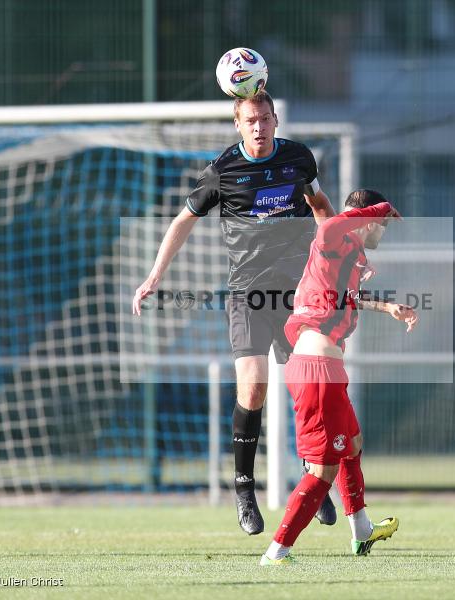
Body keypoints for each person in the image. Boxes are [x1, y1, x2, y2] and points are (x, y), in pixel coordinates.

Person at [132, 90, 339, 535]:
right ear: (238, 124)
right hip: (248, 295)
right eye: (251, 120)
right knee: (254, 385)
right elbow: (183, 221)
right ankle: (244, 488)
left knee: (310, 386)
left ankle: (314, 479)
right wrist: (154, 275)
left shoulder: (299, 159)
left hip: (297, 293)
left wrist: (342, 256)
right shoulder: (223, 170)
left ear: (275, 120)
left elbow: (321, 207)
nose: (259, 127)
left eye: (265, 119)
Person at [259, 189, 417, 565]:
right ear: (370, 220)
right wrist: (381, 208)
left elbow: (343, 298)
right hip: (315, 369)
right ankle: (276, 552)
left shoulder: (348, 256)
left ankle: (361, 531)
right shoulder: (333, 240)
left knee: (353, 443)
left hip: (327, 368)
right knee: (322, 470)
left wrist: (386, 307)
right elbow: (329, 226)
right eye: (381, 224)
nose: (383, 230)